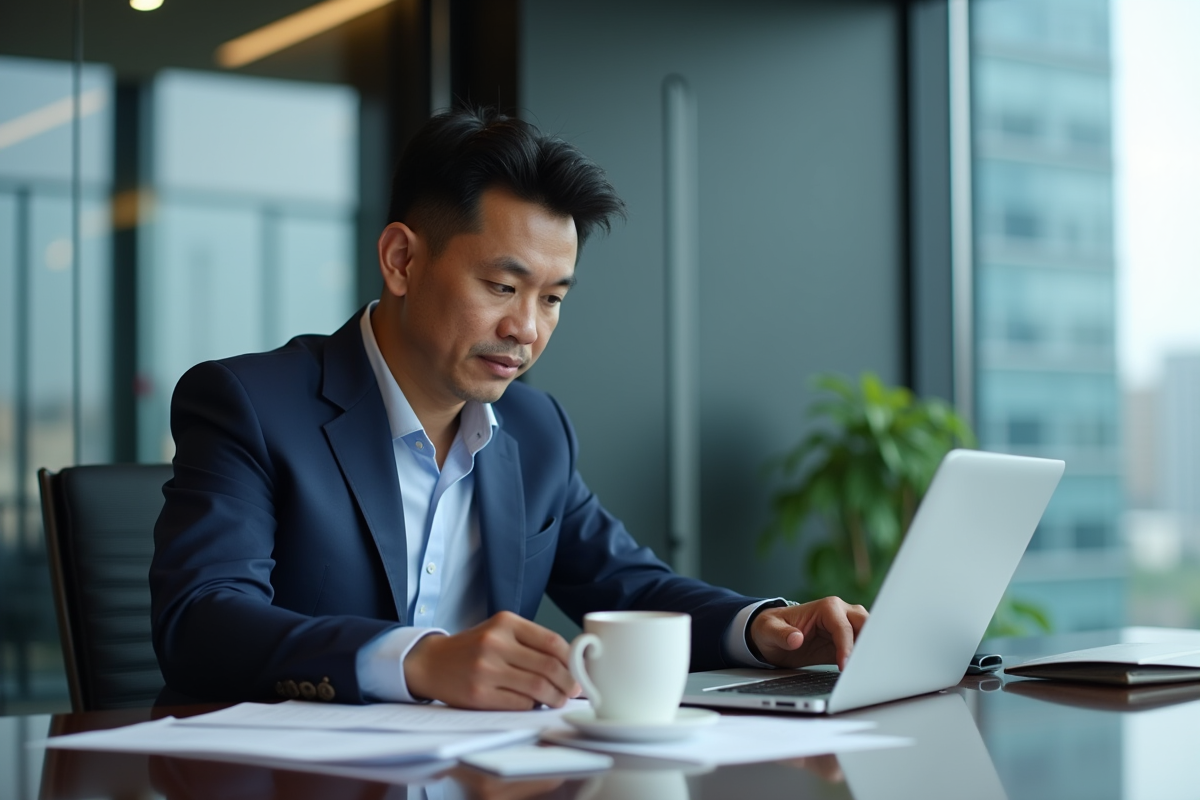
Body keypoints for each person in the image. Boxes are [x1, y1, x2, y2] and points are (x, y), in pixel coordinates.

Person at [150, 108, 868, 709]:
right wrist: (419, 661)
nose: (527, 328)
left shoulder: (535, 429)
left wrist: (766, 626)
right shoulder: (250, 405)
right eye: (502, 286)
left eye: (552, 298)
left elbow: (630, 583)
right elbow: (203, 621)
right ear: (401, 260)